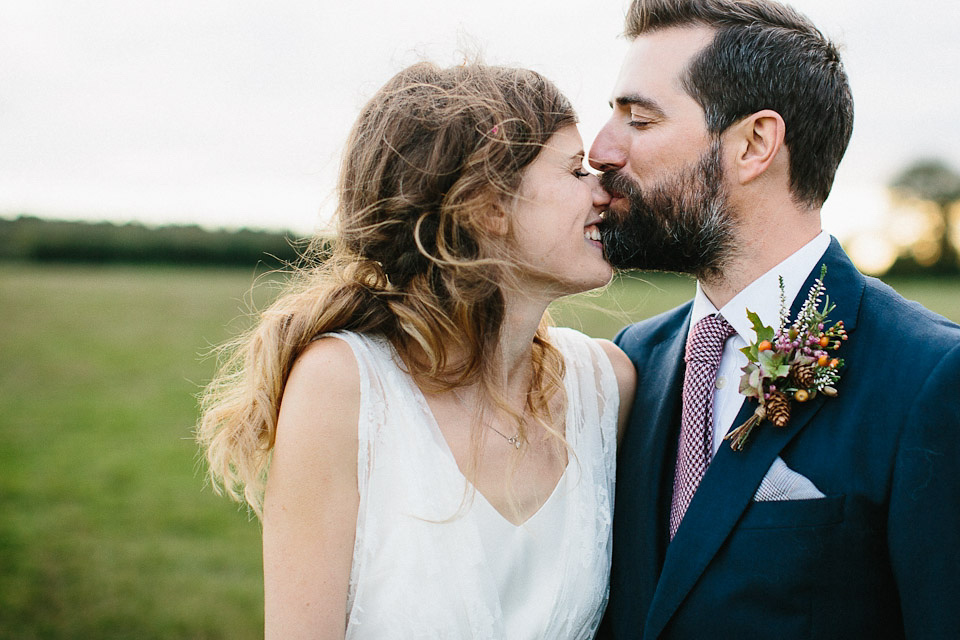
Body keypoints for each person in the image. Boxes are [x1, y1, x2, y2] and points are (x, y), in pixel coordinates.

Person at [197, 61, 636, 638]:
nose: (605, 188)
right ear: (489, 206)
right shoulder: (344, 385)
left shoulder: (607, 387)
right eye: (574, 170)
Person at [589, 1, 960, 638]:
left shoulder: (931, 376)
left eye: (639, 120)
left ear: (755, 143)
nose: (600, 150)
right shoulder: (633, 359)